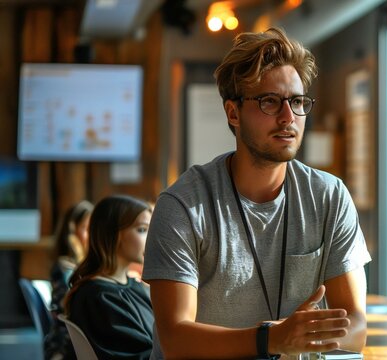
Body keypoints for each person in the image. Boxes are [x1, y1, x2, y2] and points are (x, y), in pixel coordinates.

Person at [142, 27, 371, 359]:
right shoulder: (183, 205)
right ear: (233, 113)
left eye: (297, 101)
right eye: (269, 102)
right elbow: (175, 339)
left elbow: (356, 326)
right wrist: (272, 339)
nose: (288, 117)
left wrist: (299, 338)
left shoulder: (329, 196)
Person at [65, 195, 154, 359]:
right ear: (113, 234)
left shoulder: (132, 285)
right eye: (142, 230)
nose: (152, 238)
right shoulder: (99, 297)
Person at [45, 200, 94, 360]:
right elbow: (67, 309)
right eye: (87, 229)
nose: (93, 236)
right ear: (71, 232)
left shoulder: (81, 265)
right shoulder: (65, 267)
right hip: (64, 347)